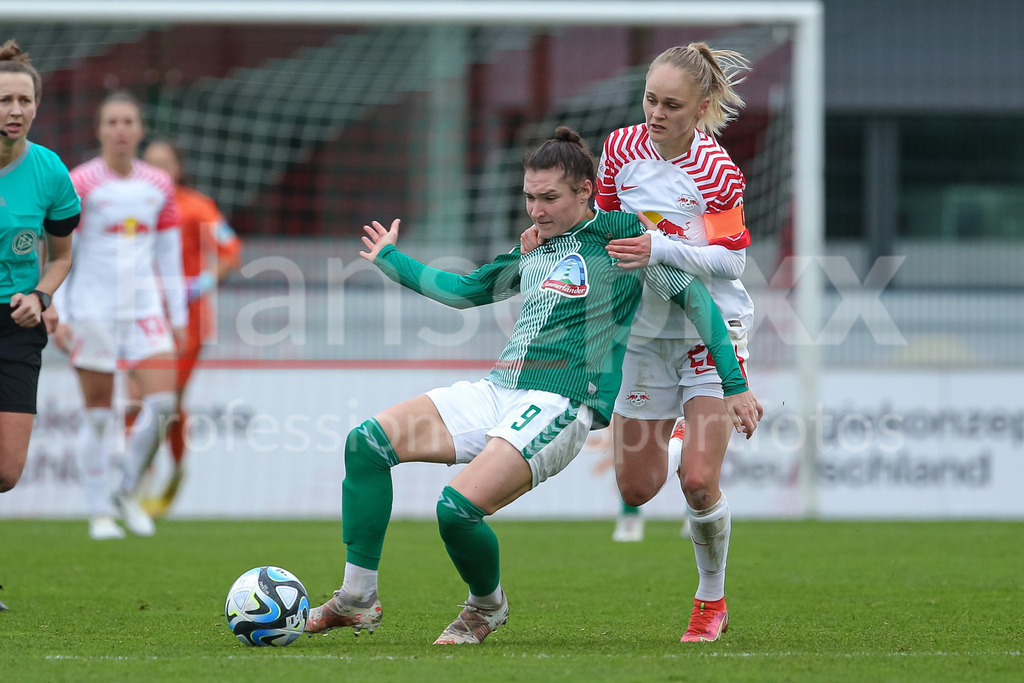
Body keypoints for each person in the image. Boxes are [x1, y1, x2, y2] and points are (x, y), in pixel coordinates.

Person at [304, 127, 762, 645]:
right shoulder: (535, 247)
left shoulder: (621, 236)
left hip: (561, 401)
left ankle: (485, 607)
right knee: (365, 444)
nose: (536, 210)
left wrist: (734, 382)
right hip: (502, 389)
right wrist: (391, 258)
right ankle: (357, 598)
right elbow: (464, 291)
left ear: (586, 190)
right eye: (529, 197)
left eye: (550, 198)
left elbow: (698, 302)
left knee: (456, 511)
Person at [521, 43, 754, 641]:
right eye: (650, 98)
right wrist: (548, 244)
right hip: (645, 337)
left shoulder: (717, 170)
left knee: (699, 482)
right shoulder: (622, 151)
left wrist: (661, 249)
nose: (656, 113)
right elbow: (595, 231)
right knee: (637, 487)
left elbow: (731, 261)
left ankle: (710, 602)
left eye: (671, 105)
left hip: (708, 330)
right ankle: (679, 434)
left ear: (701, 108)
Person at [53, 91, 186, 541]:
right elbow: (61, 250)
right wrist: (62, 309)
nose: (121, 130)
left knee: (164, 405)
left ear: (140, 129)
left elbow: (169, 253)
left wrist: (178, 313)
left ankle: (125, 489)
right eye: (112, 122)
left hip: (145, 310)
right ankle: (98, 513)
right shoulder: (80, 182)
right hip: (92, 310)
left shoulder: (158, 185)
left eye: (128, 121)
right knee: (97, 416)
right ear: (100, 130)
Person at [0, 39, 78, 611]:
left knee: (6, 471)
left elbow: (61, 256)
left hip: (18, 325)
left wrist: (41, 294)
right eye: (5, 100)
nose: (15, 110)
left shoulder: (49, 170)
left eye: (24, 100)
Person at [135, 138, 241, 517]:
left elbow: (230, 248)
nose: (157, 172)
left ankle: (175, 468)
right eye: (150, 164)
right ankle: (140, 477)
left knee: (170, 403)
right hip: (142, 317)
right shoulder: (132, 205)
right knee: (137, 399)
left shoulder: (197, 206)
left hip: (188, 323)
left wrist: (203, 283)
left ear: (178, 169)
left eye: (165, 164)